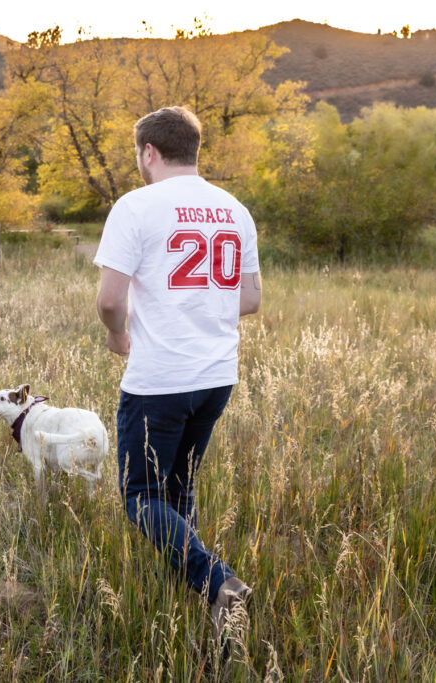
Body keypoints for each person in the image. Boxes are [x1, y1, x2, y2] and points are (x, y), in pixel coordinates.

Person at [94, 106, 262, 638]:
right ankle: (196, 595)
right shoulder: (234, 209)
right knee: (180, 486)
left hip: (160, 378)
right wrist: (198, 306)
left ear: (148, 152)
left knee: (141, 494)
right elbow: (251, 298)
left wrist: (119, 335)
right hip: (216, 375)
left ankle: (217, 582)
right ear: (195, 148)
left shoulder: (136, 206)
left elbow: (108, 301)